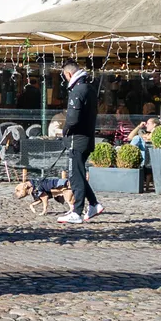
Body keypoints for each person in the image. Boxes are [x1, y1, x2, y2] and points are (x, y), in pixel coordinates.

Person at [58, 61, 103, 224]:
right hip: (88, 137)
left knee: (75, 175)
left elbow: (72, 118)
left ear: (69, 75)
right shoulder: (90, 89)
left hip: (76, 140)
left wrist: (65, 130)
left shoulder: (77, 90)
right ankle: (94, 204)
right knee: (79, 174)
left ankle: (76, 212)